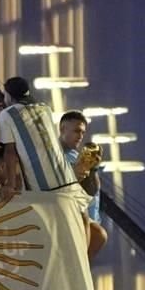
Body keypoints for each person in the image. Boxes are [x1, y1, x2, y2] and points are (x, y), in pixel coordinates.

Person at [59, 110, 108, 258]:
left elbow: (93, 191)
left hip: (88, 218)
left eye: (82, 132)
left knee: (99, 236)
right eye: (76, 131)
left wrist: (93, 168)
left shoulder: (78, 156)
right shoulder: (55, 155)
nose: (80, 136)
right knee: (100, 236)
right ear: (62, 129)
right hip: (72, 215)